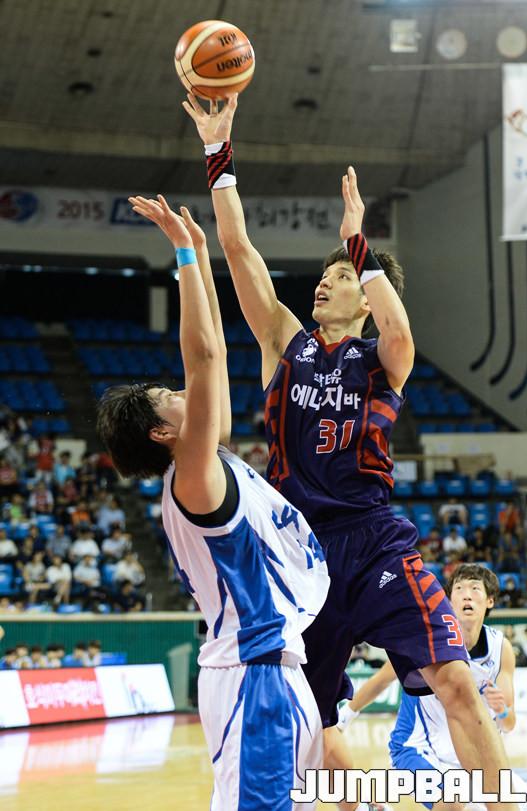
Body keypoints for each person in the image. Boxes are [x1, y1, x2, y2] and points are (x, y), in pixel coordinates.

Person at [183, 93, 519, 811]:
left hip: (373, 542)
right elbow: (238, 250)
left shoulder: (382, 359)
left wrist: (358, 244)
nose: (323, 282)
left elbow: (401, 330)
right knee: (316, 722)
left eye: (339, 277)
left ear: (365, 295)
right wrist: (218, 152)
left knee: (456, 681)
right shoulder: (285, 342)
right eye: (326, 274)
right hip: (297, 555)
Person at [96, 194, 329, 810]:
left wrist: (199, 256)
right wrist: (180, 254)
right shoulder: (192, 481)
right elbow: (202, 358)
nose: (184, 393)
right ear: (160, 432)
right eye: (169, 396)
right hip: (252, 674)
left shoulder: (212, 460)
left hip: (274, 669)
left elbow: (215, 360)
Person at [337, 564, 527, 811]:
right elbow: (382, 680)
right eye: (459, 589)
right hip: (417, 751)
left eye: (475, 589)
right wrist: (344, 719)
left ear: (490, 601)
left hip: (471, 758)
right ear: (449, 601)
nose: (467, 595)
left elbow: (508, 723)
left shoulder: (501, 648)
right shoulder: (428, 640)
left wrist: (502, 710)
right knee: (456, 800)